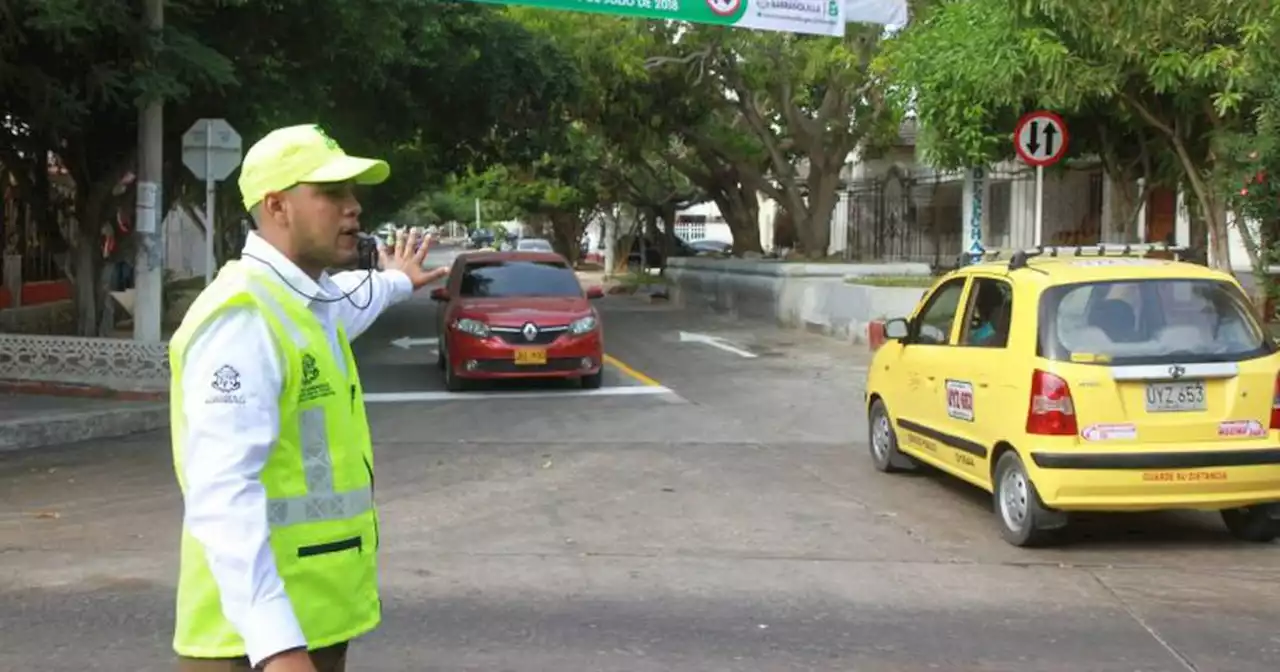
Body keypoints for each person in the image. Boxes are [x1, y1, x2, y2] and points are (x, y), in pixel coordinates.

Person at [168, 124, 447, 672]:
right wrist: (276, 646)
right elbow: (222, 492)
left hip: (310, 627)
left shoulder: (306, 303)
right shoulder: (244, 318)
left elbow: (348, 300)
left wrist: (396, 281)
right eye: (332, 193)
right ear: (278, 206)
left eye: (352, 193)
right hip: (250, 647)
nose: (353, 208)